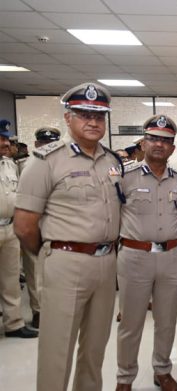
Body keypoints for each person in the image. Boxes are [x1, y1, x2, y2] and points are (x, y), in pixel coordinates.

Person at [14, 82, 123, 391]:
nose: (93, 122)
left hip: (106, 264)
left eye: (99, 116)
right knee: (57, 349)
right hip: (65, 262)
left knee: (95, 348)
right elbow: (24, 225)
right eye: (84, 114)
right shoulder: (45, 161)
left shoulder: (112, 161)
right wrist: (55, 252)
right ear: (68, 118)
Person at [115, 115, 177, 391]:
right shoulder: (124, 176)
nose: (159, 144)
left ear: (172, 148)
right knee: (131, 322)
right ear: (143, 143)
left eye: (166, 140)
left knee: (166, 319)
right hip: (135, 257)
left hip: (171, 257)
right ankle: (124, 378)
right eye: (153, 138)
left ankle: (162, 369)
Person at [17, 127, 61, 329]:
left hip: (58, 226)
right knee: (35, 271)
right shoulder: (27, 165)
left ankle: (56, 310)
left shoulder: (65, 164)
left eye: (53, 141)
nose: (50, 146)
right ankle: (39, 311)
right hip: (33, 225)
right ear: (36, 144)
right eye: (44, 143)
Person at [0, 125, 38, 339]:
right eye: (1, 139)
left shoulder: (9, 165)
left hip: (9, 228)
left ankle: (13, 323)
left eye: (7, 140)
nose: (6, 144)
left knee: (11, 279)